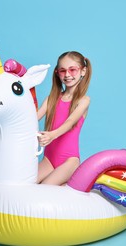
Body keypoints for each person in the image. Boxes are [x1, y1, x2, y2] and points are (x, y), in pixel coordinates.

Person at [37, 51, 92, 185]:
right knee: (27, 183)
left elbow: (70, 122)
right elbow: (33, 118)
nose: (67, 75)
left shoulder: (84, 100)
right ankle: (63, 185)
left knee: (44, 188)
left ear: (83, 71)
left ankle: (66, 185)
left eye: (72, 70)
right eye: (63, 71)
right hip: (49, 159)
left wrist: (51, 135)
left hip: (69, 161)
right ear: (57, 72)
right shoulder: (51, 99)